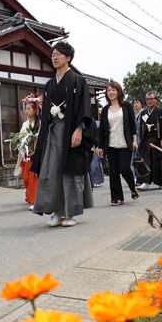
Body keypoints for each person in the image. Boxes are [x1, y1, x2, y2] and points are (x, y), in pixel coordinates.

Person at [30, 42, 95, 227]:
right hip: (52, 131)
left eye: (58, 54)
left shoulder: (78, 81)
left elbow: (84, 107)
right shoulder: (49, 84)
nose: (54, 57)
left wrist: (79, 129)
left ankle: (70, 213)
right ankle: (56, 211)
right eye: (53, 54)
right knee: (51, 171)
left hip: (70, 131)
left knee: (70, 172)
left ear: (68, 58)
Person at [96, 82, 138, 206]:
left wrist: (134, 140)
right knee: (113, 171)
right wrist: (100, 146)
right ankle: (117, 198)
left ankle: (132, 186)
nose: (111, 92)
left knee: (124, 168)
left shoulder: (127, 106)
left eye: (113, 90)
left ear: (119, 91)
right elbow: (102, 130)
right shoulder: (105, 109)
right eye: (109, 90)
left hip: (125, 143)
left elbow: (132, 124)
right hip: (111, 144)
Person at [137, 91, 162, 190]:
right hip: (146, 139)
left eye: (151, 99)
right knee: (145, 160)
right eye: (147, 99)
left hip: (157, 138)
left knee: (158, 160)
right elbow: (141, 128)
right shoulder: (144, 113)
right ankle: (145, 182)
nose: (149, 101)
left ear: (156, 100)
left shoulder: (161, 111)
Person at [13, 96, 41, 210]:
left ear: (35, 110)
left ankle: (35, 200)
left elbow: (41, 137)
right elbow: (21, 135)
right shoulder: (25, 124)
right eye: (26, 109)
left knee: (33, 177)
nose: (26, 111)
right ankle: (30, 197)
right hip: (25, 154)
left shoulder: (40, 123)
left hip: (34, 153)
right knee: (26, 178)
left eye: (29, 108)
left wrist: (34, 138)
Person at [131, 97, 144, 185]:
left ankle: (142, 177)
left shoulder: (144, 113)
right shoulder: (131, 113)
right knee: (132, 159)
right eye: (134, 102)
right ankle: (134, 178)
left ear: (141, 104)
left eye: (138, 102)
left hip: (142, 137)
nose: (136, 104)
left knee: (141, 158)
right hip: (133, 138)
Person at [90, 120, 105, 188]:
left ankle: (97, 181)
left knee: (95, 163)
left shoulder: (97, 123)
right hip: (89, 143)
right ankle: (91, 181)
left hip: (95, 144)